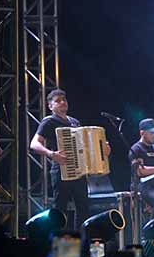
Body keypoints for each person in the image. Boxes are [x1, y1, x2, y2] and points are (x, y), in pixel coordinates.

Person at [30, 89, 108, 229]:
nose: (62, 102)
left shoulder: (75, 122)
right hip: (61, 170)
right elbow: (34, 144)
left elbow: (86, 148)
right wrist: (51, 154)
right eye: (57, 101)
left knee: (83, 208)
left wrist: (103, 150)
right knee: (60, 209)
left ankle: (80, 238)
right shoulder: (49, 121)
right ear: (50, 106)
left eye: (64, 99)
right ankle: (58, 239)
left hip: (79, 172)